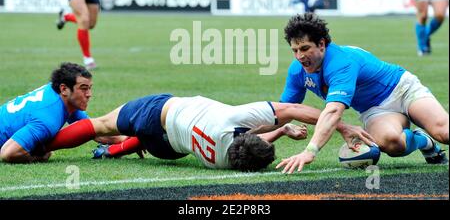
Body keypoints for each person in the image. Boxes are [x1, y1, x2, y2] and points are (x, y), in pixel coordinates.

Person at [276, 13, 449, 174]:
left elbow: (334, 111)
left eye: (305, 48)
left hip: (403, 89)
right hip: (374, 109)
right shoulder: (297, 71)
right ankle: (424, 142)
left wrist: (310, 151)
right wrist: (254, 133)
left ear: (321, 44)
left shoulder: (340, 62)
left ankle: (432, 135)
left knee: (445, 133)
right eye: (295, 50)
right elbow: (282, 110)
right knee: (391, 142)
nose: (299, 56)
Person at [43, 93, 372, 171]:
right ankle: (112, 150)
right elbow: (254, 140)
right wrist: (281, 132)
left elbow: (291, 108)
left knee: (100, 124)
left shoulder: (233, 118)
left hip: (158, 113)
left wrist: (340, 124)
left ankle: (39, 145)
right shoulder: (226, 162)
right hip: (169, 148)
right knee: (135, 139)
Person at [0, 63, 124, 163]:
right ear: (64, 89)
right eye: (83, 88)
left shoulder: (63, 98)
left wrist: (130, 140)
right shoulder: (48, 119)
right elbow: (8, 153)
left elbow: (95, 132)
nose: (89, 94)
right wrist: (38, 158)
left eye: (90, 88)